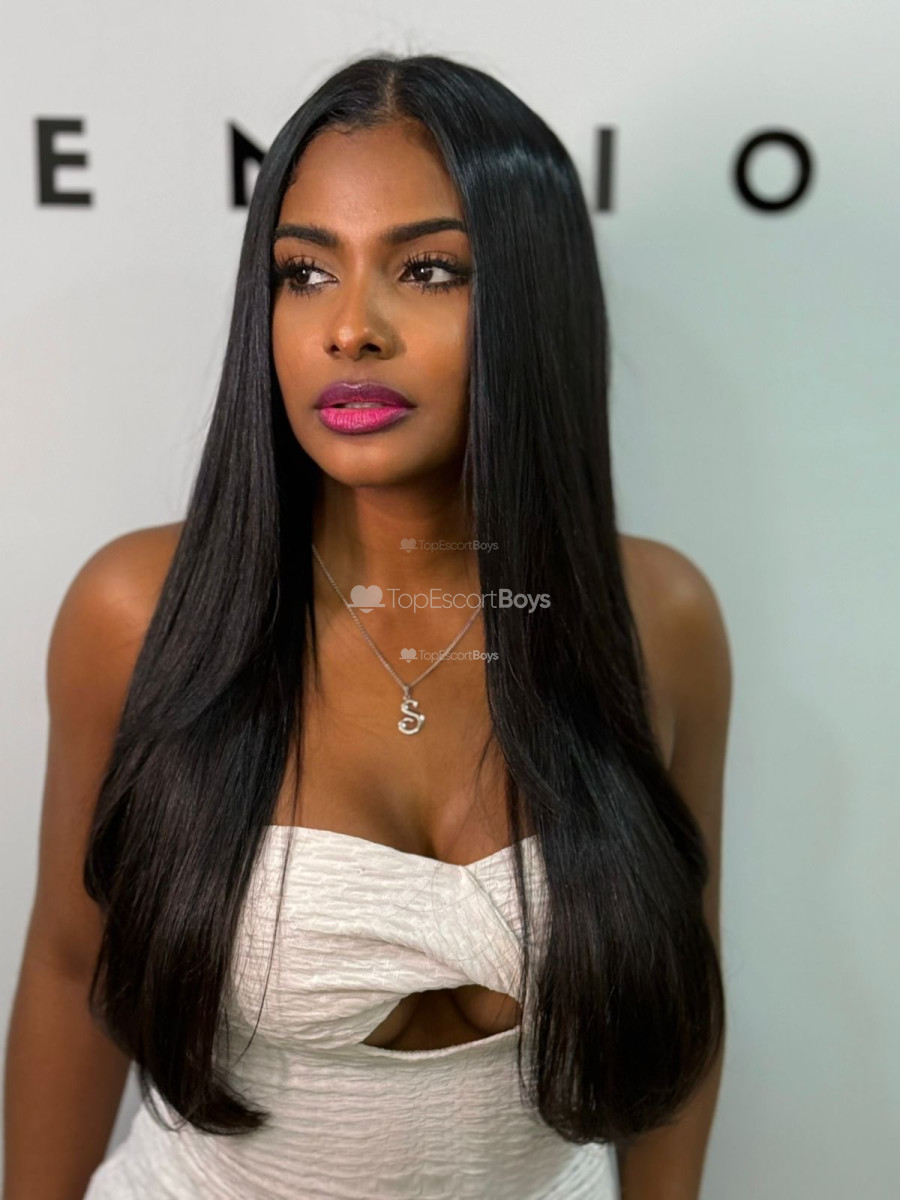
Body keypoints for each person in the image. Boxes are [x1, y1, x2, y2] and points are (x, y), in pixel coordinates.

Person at [3, 51, 731, 1200]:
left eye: (427, 269)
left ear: (531, 299)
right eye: (304, 273)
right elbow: (66, 964)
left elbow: (686, 996)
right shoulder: (137, 610)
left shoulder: (657, 619)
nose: (350, 329)